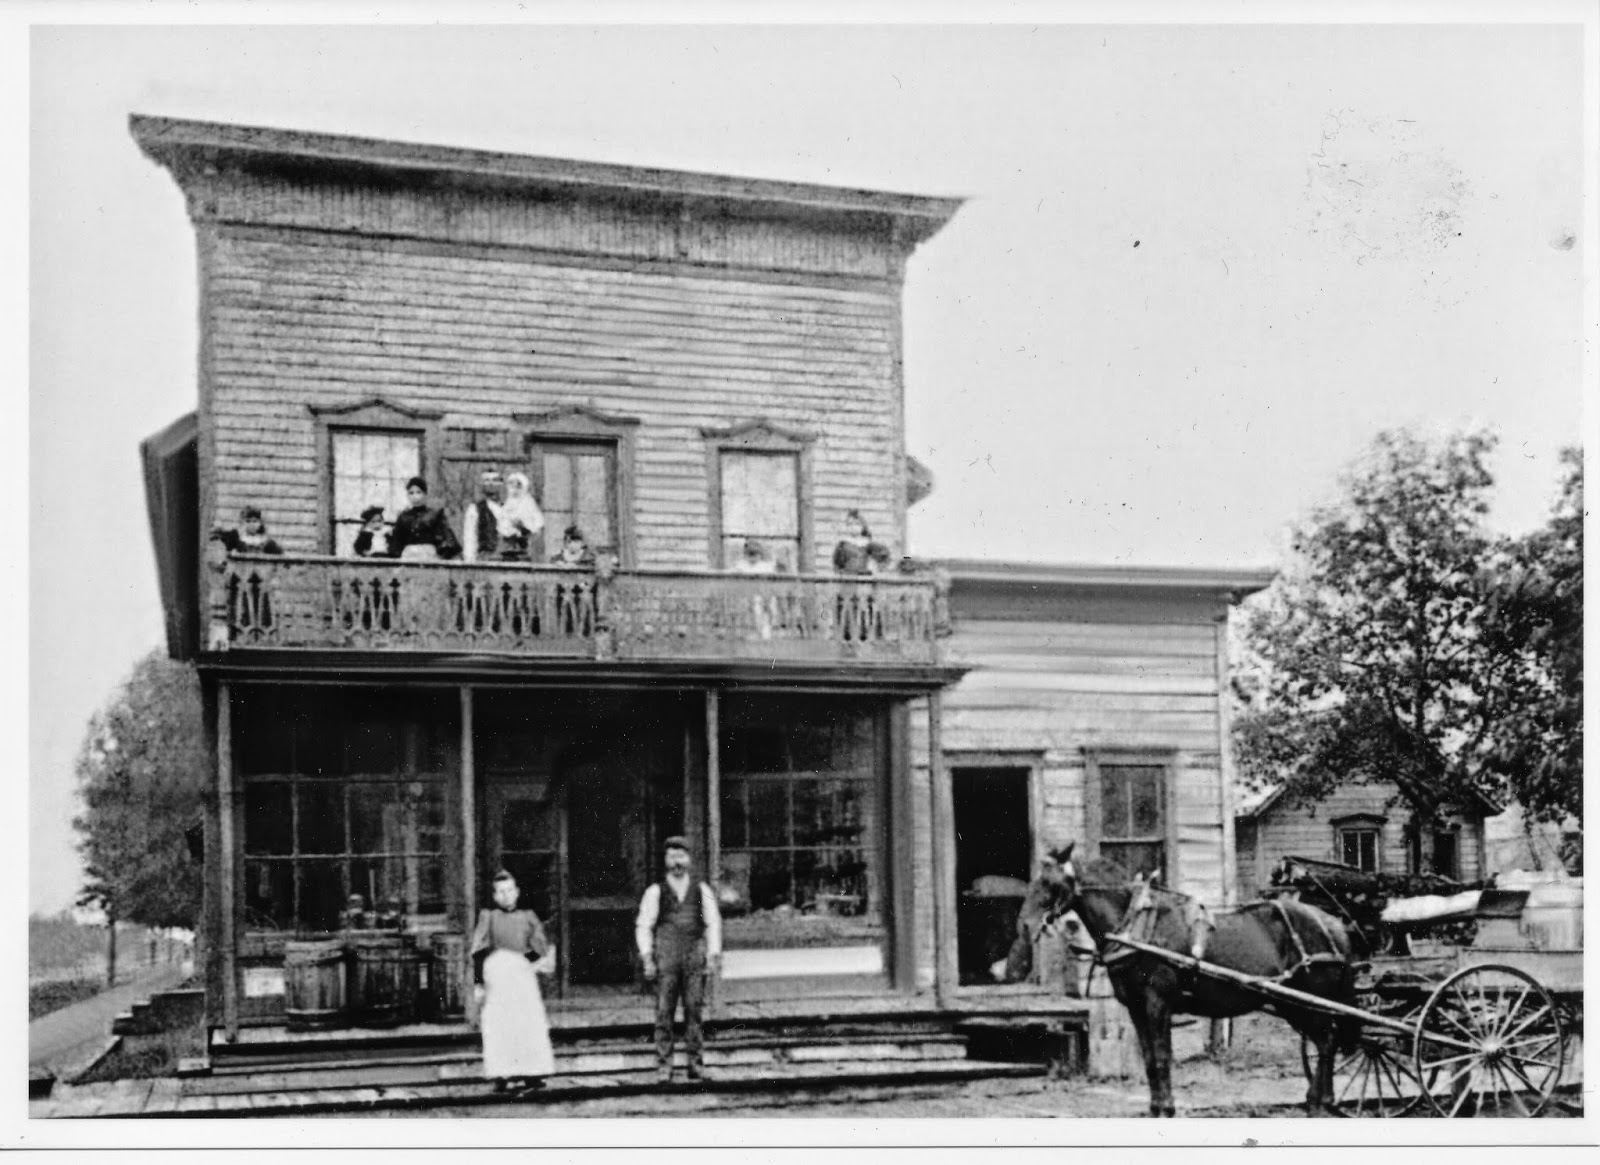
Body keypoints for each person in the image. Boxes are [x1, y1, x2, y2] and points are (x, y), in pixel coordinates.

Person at [635, 836, 722, 1084]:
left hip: (694, 957)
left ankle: (696, 1065)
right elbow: (643, 925)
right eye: (672, 857)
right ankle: (664, 1067)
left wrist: (713, 954)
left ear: (689, 859)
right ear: (665, 860)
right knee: (664, 1012)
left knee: (694, 1012)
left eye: (681, 856)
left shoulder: (701, 890)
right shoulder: (655, 892)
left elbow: (712, 923)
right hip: (666, 958)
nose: (677, 862)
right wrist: (647, 957)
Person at [470, 870, 556, 1094]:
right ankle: (502, 1073)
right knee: (500, 1023)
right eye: (501, 892)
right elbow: (479, 951)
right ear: (495, 896)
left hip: (521, 975)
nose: (506, 896)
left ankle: (531, 1073)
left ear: (517, 892)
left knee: (527, 1021)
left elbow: (536, 949)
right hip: (497, 974)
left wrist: (531, 960)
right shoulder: (489, 917)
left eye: (510, 890)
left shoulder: (528, 917)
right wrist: (478, 984)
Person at [386, 477, 462, 561]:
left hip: (429, 555)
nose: (415, 497)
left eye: (419, 492)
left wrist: (447, 549)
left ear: (425, 494)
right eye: (411, 493)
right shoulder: (403, 517)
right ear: (407, 495)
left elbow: (448, 535)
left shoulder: (435, 515)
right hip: (408, 555)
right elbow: (397, 541)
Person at [461, 468, 508, 563]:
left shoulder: (508, 509)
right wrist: (470, 561)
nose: (491, 484)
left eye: (495, 480)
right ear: (482, 484)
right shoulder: (475, 509)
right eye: (487, 480)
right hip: (486, 560)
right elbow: (470, 538)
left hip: (506, 559)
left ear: (501, 484)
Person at [500, 472, 546, 561]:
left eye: (518, 487)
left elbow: (537, 525)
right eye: (513, 487)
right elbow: (502, 523)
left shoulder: (529, 503)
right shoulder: (507, 505)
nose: (515, 490)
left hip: (525, 545)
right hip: (509, 546)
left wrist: (524, 527)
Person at [831, 510, 891, 575]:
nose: (853, 527)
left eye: (857, 524)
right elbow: (837, 566)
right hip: (848, 579)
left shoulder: (868, 544)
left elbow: (884, 555)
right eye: (850, 524)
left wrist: (875, 568)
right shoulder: (843, 545)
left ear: (862, 526)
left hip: (864, 579)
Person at [212, 505, 285, 555]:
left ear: (260, 523)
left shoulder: (267, 542)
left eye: (255, 521)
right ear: (243, 522)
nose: (251, 524)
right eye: (248, 521)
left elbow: (281, 556)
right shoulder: (237, 538)